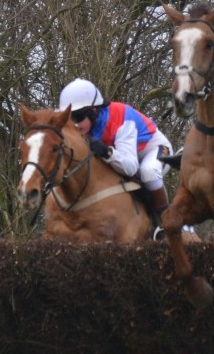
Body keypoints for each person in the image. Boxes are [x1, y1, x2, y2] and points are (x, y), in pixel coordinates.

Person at [58, 78, 175, 237]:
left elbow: (131, 167)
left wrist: (107, 153)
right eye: (69, 119)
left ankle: (164, 222)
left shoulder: (120, 119)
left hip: (152, 149)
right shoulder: (84, 125)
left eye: (78, 117)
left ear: (94, 110)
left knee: (148, 171)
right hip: (122, 153)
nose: (75, 124)